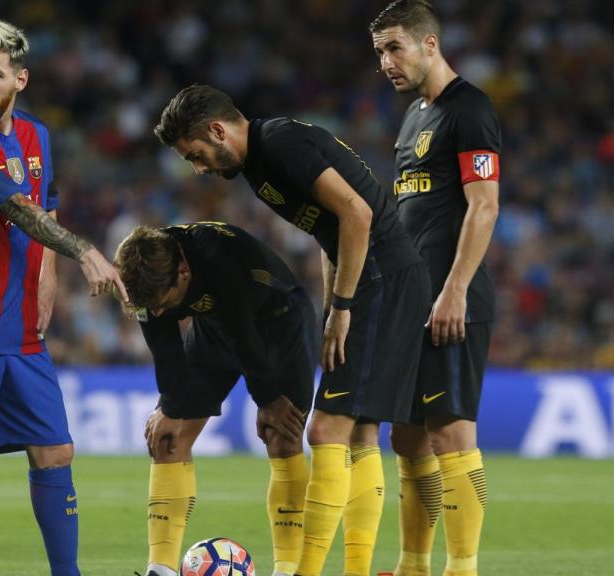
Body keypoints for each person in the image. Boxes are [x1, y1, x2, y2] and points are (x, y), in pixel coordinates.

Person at [154, 86, 431, 576]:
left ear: (218, 131)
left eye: (196, 154)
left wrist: (344, 304)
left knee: (326, 429)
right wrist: (334, 306)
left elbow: (358, 214)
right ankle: (357, 570)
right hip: (373, 279)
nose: (199, 168)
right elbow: (333, 233)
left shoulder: (279, 144)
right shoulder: (259, 166)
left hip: (383, 278)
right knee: (360, 432)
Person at [0, 21, 128, 576]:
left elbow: (48, 204)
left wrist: (50, 278)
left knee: (56, 450)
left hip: (21, 329)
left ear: (21, 79)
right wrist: (84, 251)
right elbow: (15, 207)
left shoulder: (37, 136)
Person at [370, 2, 501, 575]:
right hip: (412, 300)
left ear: (429, 44)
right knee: (406, 437)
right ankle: (414, 567)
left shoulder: (469, 109)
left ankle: (461, 569)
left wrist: (456, 291)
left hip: (452, 299)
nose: (385, 63)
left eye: (394, 47)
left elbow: (485, 205)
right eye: (379, 52)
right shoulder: (412, 119)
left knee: (450, 434)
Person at [115, 222, 315, 576]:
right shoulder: (147, 279)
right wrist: (171, 407)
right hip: (214, 329)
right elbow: (164, 344)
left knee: (282, 437)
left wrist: (267, 398)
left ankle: (288, 569)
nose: (158, 314)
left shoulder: (221, 260)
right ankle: (159, 569)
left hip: (278, 323)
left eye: (163, 305)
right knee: (168, 437)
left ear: (184, 271)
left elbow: (244, 332)